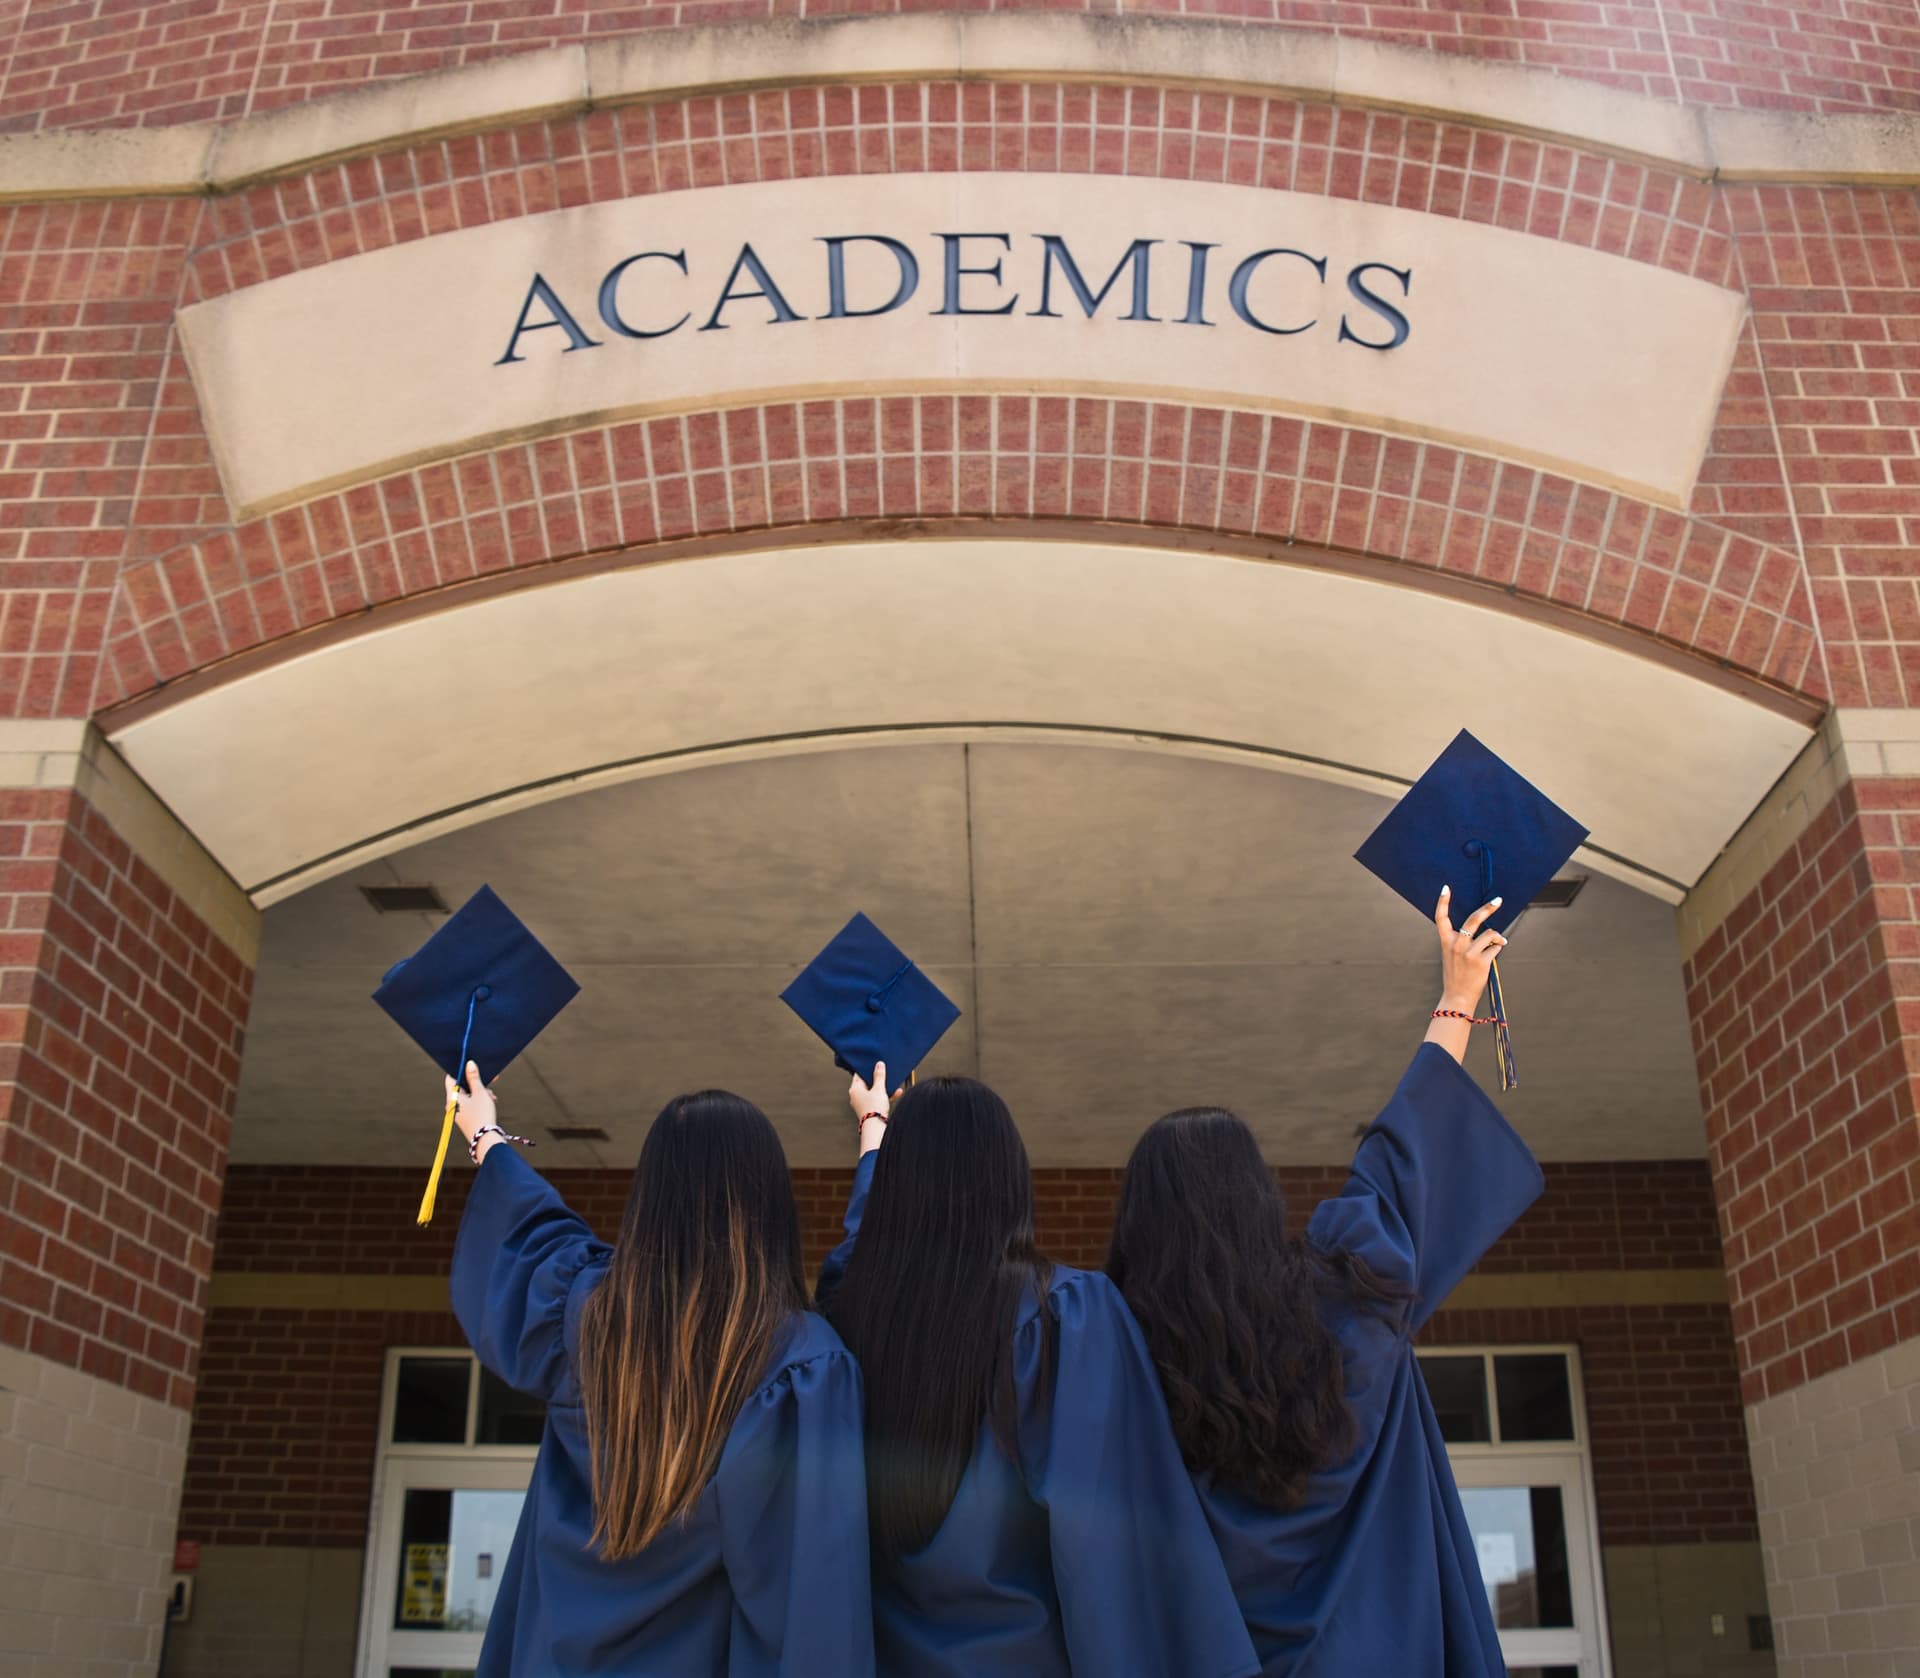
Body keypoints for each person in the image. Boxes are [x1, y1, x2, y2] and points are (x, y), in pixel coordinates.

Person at [1105, 888, 1546, 1676]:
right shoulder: (1347, 1298)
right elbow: (1403, 1157)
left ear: (1140, 1226)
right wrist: (1457, 995)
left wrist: (880, 1141)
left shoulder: (1115, 1359)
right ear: (1259, 1201)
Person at [819, 1066, 1260, 1678]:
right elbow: (1108, 1551)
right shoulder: (1064, 1317)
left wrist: (875, 1133)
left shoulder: (846, 1322)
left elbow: (858, 1250)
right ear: (1008, 1180)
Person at [445, 1065, 876, 1678]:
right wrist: (874, 1132)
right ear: (771, 1201)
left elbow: (531, 1232)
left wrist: (484, 1133)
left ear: (649, 1196)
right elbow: (813, 1603)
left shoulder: (583, 1320)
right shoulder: (798, 1364)